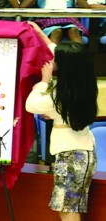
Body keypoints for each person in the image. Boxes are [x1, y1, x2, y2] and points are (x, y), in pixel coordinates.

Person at [26, 21, 98, 221]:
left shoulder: (59, 95)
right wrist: (40, 33)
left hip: (70, 155)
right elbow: (60, 51)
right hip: (81, 150)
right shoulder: (83, 86)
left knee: (67, 208)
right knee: (68, 205)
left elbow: (31, 105)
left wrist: (44, 81)